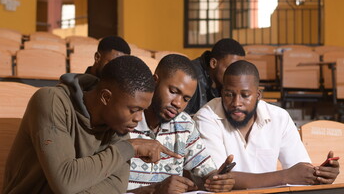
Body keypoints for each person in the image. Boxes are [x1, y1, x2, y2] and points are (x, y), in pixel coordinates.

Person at [3, 56, 182, 194]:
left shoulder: (118, 123)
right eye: (134, 109)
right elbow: (65, 182)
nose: (138, 118)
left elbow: (116, 187)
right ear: (106, 97)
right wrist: (130, 148)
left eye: (143, 110)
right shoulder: (51, 101)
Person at [194, 60, 340, 189]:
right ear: (222, 92)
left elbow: (300, 172)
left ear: (258, 95)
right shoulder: (207, 117)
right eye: (228, 94)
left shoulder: (279, 117)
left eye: (245, 95)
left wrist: (320, 175)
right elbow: (217, 178)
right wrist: (285, 176)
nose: (236, 103)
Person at [127, 54, 235, 194]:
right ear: (154, 82)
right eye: (173, 91)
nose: (178, 103)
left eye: (186, 99)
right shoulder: (124, 120)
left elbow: (206, 172)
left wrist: (217, 180)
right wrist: (155, 190)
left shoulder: (184, 125)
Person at [185, 38, 245, 115]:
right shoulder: (189, 76)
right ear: (213, 63)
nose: (236, 74)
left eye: (239, 69)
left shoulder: (226, 82)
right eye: (231, 68)